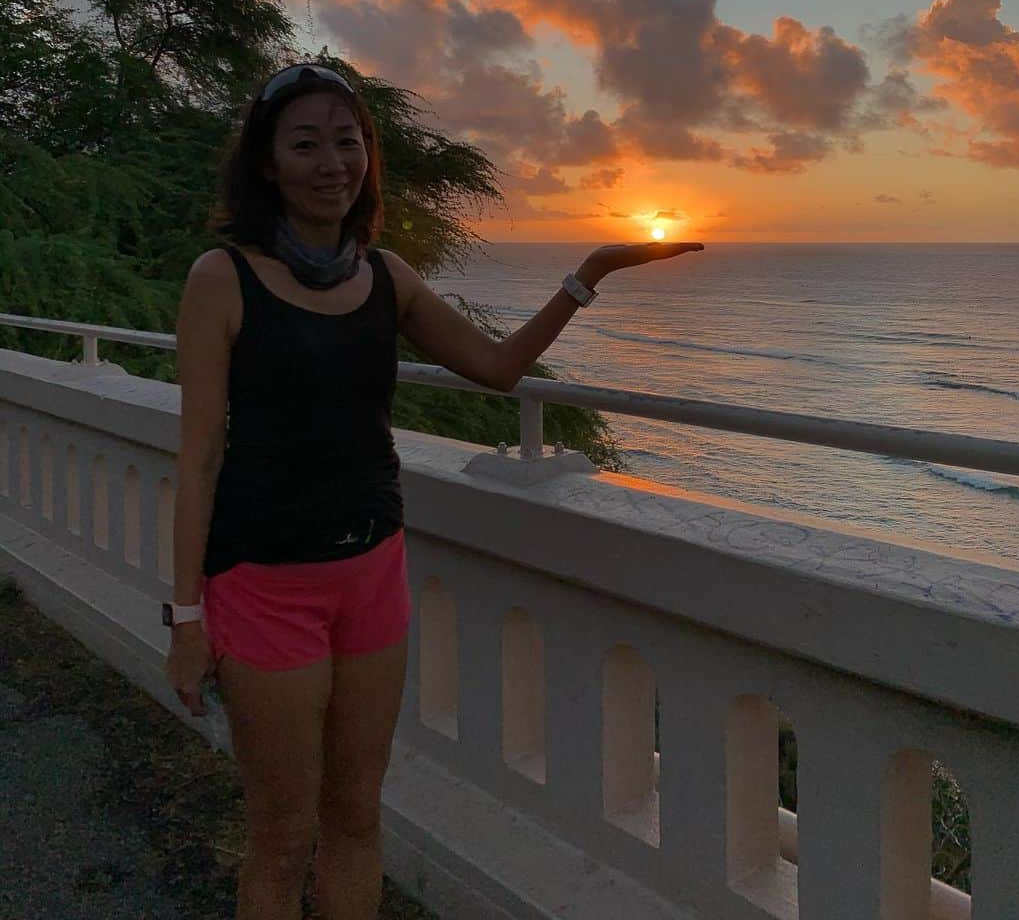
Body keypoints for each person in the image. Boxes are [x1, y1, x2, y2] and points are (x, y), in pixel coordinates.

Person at [163, 61, 703, 920]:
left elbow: (495, 368)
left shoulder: (387, 276)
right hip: (264, 582)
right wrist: (187, 619)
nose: (333, 163)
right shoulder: (221, 278)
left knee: (355, 818)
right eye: (306, 144)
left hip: (372, 573)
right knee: (282, 834)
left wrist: (587, 275)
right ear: (268, 163)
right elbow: (196, 458)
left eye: (349, 143)